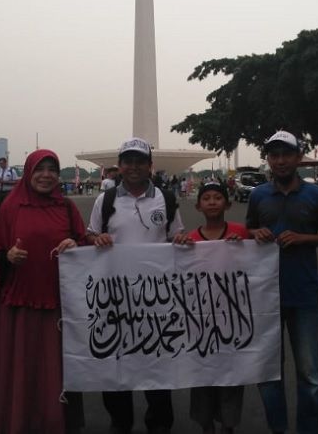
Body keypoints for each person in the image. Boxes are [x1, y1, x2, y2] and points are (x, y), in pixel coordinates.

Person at [0, 149, 86, 434]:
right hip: (21, 302)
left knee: (56, 365)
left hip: (59, 303)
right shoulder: (12, 207)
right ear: (28, 172)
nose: (46, 175)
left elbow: (83, 240)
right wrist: (7, 256)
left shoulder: (66, 207)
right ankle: (19, 422)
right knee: (23, 364)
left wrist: (76, 245)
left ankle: (57, 422)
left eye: (52, 170)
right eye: (40, 169)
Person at [86, 137, 185, 434]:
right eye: (128, 161)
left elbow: (176, 237)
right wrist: (97, 239)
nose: (133, 167)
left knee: (157, 360)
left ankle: (159, 421)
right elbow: (91, 234)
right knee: (116, 361)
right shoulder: (106, 201)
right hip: (115, 298)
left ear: (150, 166)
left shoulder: (165, 199)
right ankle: (120, 420)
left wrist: (182, 241)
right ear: (119, 166)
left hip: (156, 299)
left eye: (140, 161)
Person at [246, 131, 318, 434]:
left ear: (299, 157)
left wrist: (302, 238)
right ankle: (278, 428)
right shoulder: (258, 196)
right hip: (265, 297)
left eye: (286, 154)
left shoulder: (316, 196)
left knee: (309, 374)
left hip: (303, 294)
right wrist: (255, 233)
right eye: (274, 155)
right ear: (268, 160)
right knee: (269, 373)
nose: (280, 161)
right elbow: (248, 230)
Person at [172, 181, 248, 434]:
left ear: (227, 204)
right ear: (198, 206)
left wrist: (245, 245)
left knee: (231, 373)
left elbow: (255, 267)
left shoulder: (240, 233)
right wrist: (179, 248)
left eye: (217, 197)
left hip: (232, 318)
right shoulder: (191, 239)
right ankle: (206, 424)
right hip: (200, 321)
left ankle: (228, 424)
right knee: (202, 373)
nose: (212, 202)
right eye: (207, 198)